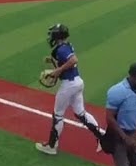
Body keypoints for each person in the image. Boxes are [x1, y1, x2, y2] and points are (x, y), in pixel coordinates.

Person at [35, 23, 105, 155]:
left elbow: (73, 60)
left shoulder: (62, 49)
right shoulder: (66, 46)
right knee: (80, 113)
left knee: (58, 114)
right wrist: (53, 62)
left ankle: (51, 146)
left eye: (52, 34)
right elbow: (66, 62)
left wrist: (56, 71)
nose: (50, 36)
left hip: (69, 85)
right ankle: (101, 138)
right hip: (77, 82)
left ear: (57, 35)